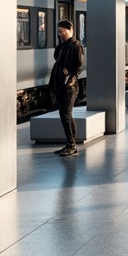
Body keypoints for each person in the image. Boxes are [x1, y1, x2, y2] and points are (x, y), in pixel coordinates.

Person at [51, 19, 85, 156]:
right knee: (64, 115)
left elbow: (79, 64)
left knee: (66, 114)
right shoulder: (61, 47)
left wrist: (72, 77)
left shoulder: (76, 45)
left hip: (69, 87)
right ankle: (69, 144)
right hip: (60, 84)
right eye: (59, 31)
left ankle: (72, 145)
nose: (60, 33)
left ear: (70, 30)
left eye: (62, 30)